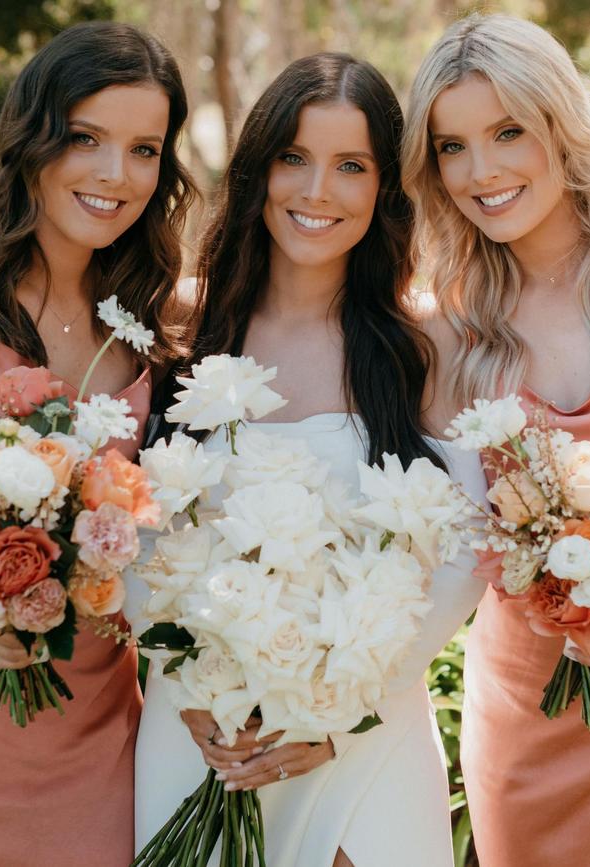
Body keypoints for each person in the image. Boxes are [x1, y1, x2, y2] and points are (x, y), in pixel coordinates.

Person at [135, 52, 486, 867]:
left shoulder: (425, 340)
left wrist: (335, 716)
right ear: (258, 170)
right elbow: (133, 522)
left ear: (384, 189)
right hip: (200, 729)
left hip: (362, 735)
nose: (316, 191)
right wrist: (188, 687)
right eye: (293, 157)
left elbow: (466, 551)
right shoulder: (182, 323)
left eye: (351, 166)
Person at [402, 13, 590, 867]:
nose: (480, 172)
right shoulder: (445, 334)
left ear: (560, 127)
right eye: (452, 147)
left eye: (506, 132)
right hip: (529, 728)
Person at [0, 21, 195, 866]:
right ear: (34, 138)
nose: (116, 175)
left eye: (144, 149)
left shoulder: (155, 325)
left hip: (104, 741)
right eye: (87, 139)